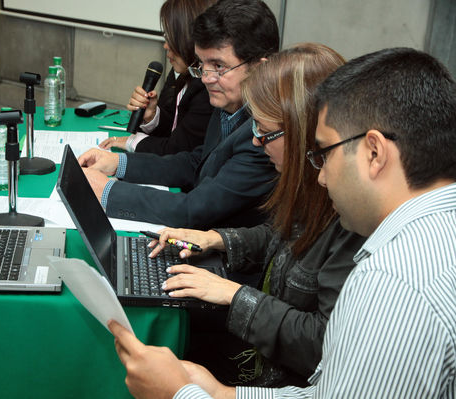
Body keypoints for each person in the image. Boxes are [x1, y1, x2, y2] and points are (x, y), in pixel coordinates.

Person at [109, 47, 456, 398]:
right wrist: (218, 393)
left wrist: (183, 394)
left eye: (325, 151)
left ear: (374, 153)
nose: (321, 175)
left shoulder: (392, 281)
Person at [145, 43, 366, 388]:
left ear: (304, 132)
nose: (257, 141)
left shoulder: (352, 214)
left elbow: (323, 344)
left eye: (264, 130)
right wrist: (215, 239)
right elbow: (281, 237)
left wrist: (233, 295)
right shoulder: (308, 186)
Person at [79, 0, 280, 229]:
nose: (206, 78)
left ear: (260, 68)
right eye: (203, 65)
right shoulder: (230, 102)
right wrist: (119, 163)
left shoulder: (266, 133)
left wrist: (108, 192)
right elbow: (197, 162)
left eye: (219, 66)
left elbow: (194, 210)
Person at [99, 0, 216, 156]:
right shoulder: (180, 72)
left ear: (189, 39)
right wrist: (152, 116)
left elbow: (178, 150)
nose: (165, 45)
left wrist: (131, 142)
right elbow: (174, 129)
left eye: (171, 38)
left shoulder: (208, 87)